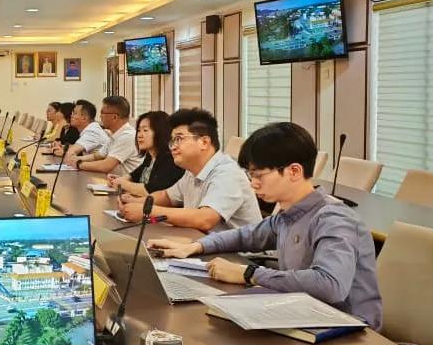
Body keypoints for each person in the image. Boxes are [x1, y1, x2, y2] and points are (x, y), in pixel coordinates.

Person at [148, 122, 382, 330]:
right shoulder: (288, 214)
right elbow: (245, 236)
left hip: (348, 329)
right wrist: (195, 247)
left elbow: (330, 285)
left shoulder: (333, 218)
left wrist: (249, 274)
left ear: (294, 171)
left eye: (259, 175)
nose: (253, 184)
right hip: (305, 312)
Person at [117, 108, 261, 233]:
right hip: (202, 243)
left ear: (204, 142)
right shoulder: (192, 171)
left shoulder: (227, 173)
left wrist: (148, 211)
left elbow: (205, 219)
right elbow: (167, 196)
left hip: (237, 254)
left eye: (179, 139)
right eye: (172, 141)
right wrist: (137, 202)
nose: (173, 147)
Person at [110, 111, 185, 195]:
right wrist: (118, 180)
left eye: (145, 130)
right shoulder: (150, 155)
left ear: (160, 132)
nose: (139, 135)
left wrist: (123, 184)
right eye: (139, 130)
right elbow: (134, 176)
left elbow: (150, 190)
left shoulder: (170, 159)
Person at [76, 96, 143, 176]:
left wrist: (78, 164)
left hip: (127, 182)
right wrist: (76, 159)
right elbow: (97, 156)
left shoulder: (127, 136)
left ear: (114, 117)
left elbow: (106, 166)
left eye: (102, 113)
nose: (100, 116)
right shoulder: (114, 134)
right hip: (114, 180)